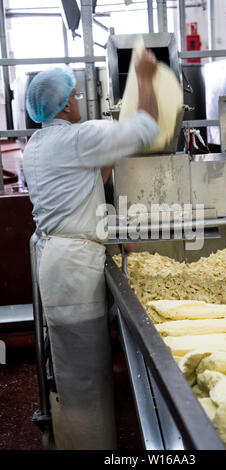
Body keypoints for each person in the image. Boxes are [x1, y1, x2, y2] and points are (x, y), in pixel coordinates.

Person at [23, 49, 159, 450]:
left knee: (77, 367)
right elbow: (148, 127)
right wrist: (145, 76)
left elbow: (86, 183)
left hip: (59, 263)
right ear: (65, 104)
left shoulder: (39, 144)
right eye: (76, 95)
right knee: (85, 377)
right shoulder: (77, 138)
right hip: (72, 270)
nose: (80, 100)